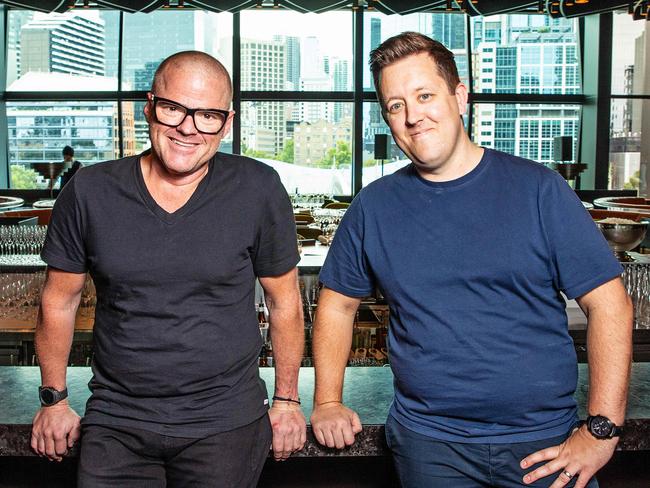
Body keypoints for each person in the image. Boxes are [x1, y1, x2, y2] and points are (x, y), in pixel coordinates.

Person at [310, 31, 633, 488]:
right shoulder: (374, 206)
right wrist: (326, 400)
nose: (412, 116)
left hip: (546, 445)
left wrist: (602, 429)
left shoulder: (539, 190)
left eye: (424, 95)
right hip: (430, 446)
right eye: (396, 105)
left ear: (460, 96)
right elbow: (337, 305)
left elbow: (610, 305)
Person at [31, 50, 306, 487]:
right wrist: (53, 399)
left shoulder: (258, 187)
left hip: (225, 421)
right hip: (117, 420)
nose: (188, 128)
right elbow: (58, 301)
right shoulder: (89, 190)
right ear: (149, 107)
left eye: (208, 115)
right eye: (174, 108)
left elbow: (285, 301)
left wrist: (288, 401)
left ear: (227, 123)